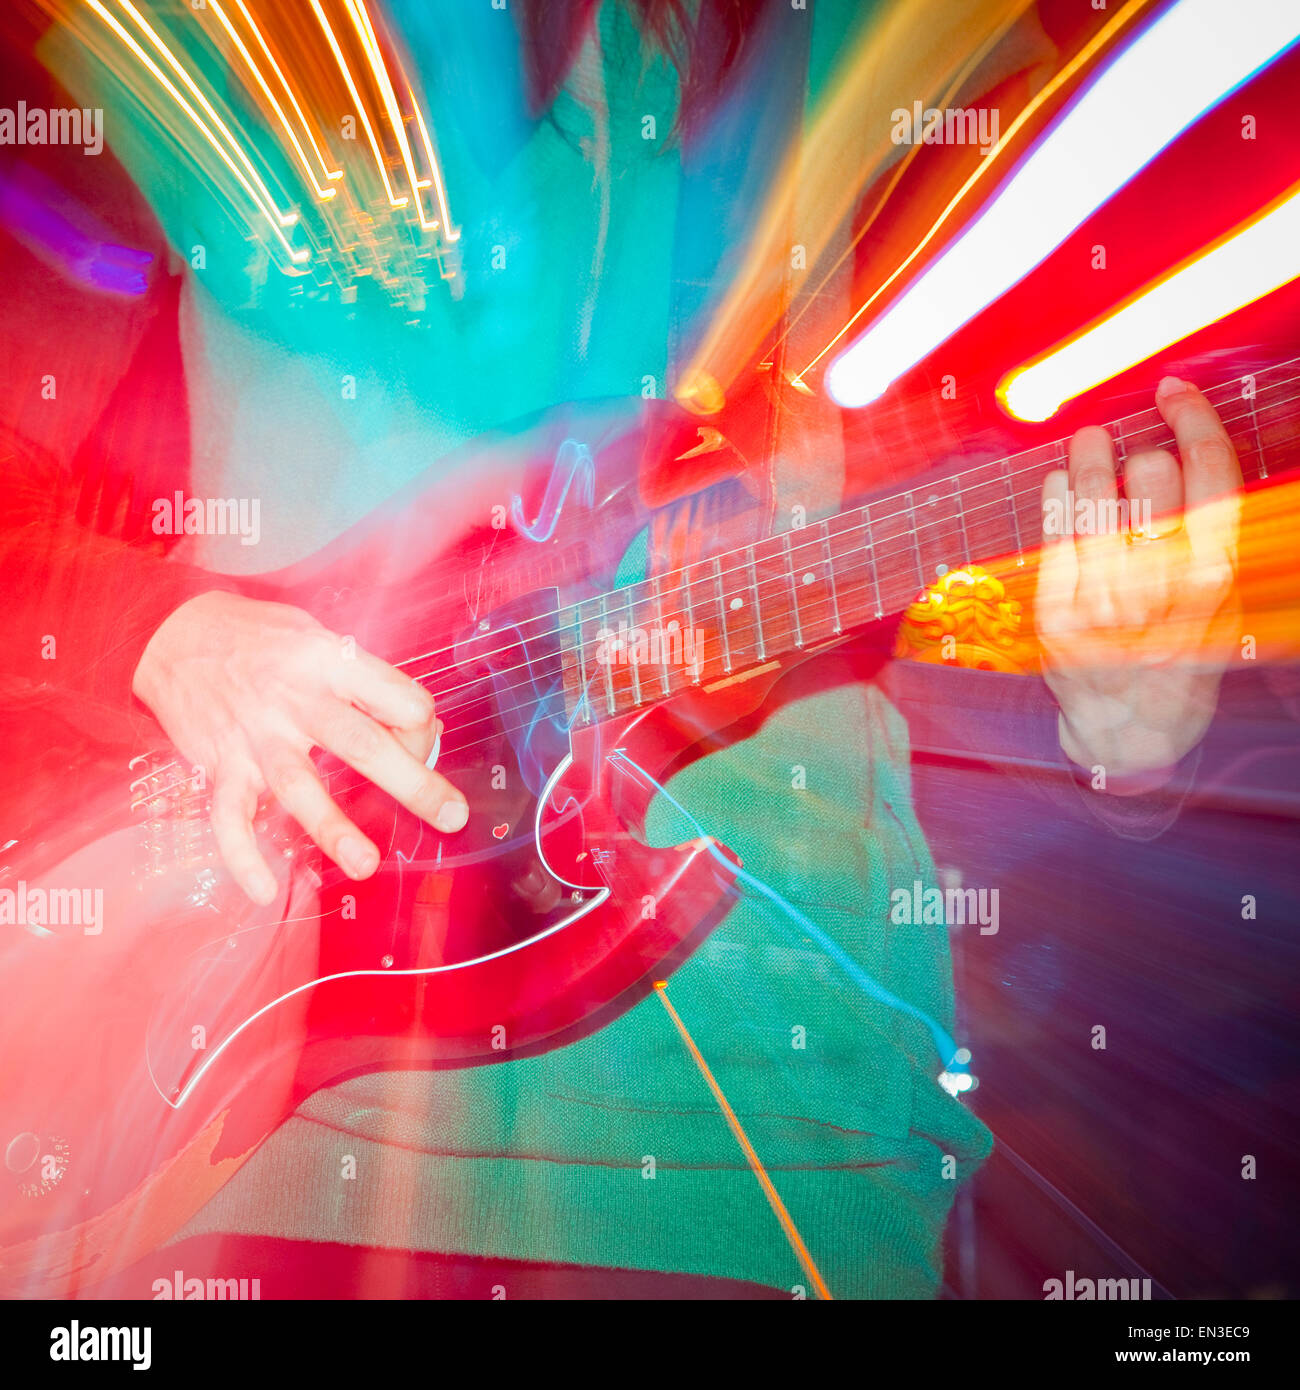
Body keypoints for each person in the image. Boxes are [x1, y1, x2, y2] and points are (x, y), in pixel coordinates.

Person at [0, 0, 1240, 1297]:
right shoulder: (251, 45)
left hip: (766, 1164)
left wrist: (1118, 738)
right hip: (273, 1128)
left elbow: (967, 683)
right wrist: (165, 632)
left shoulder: (918, 63)